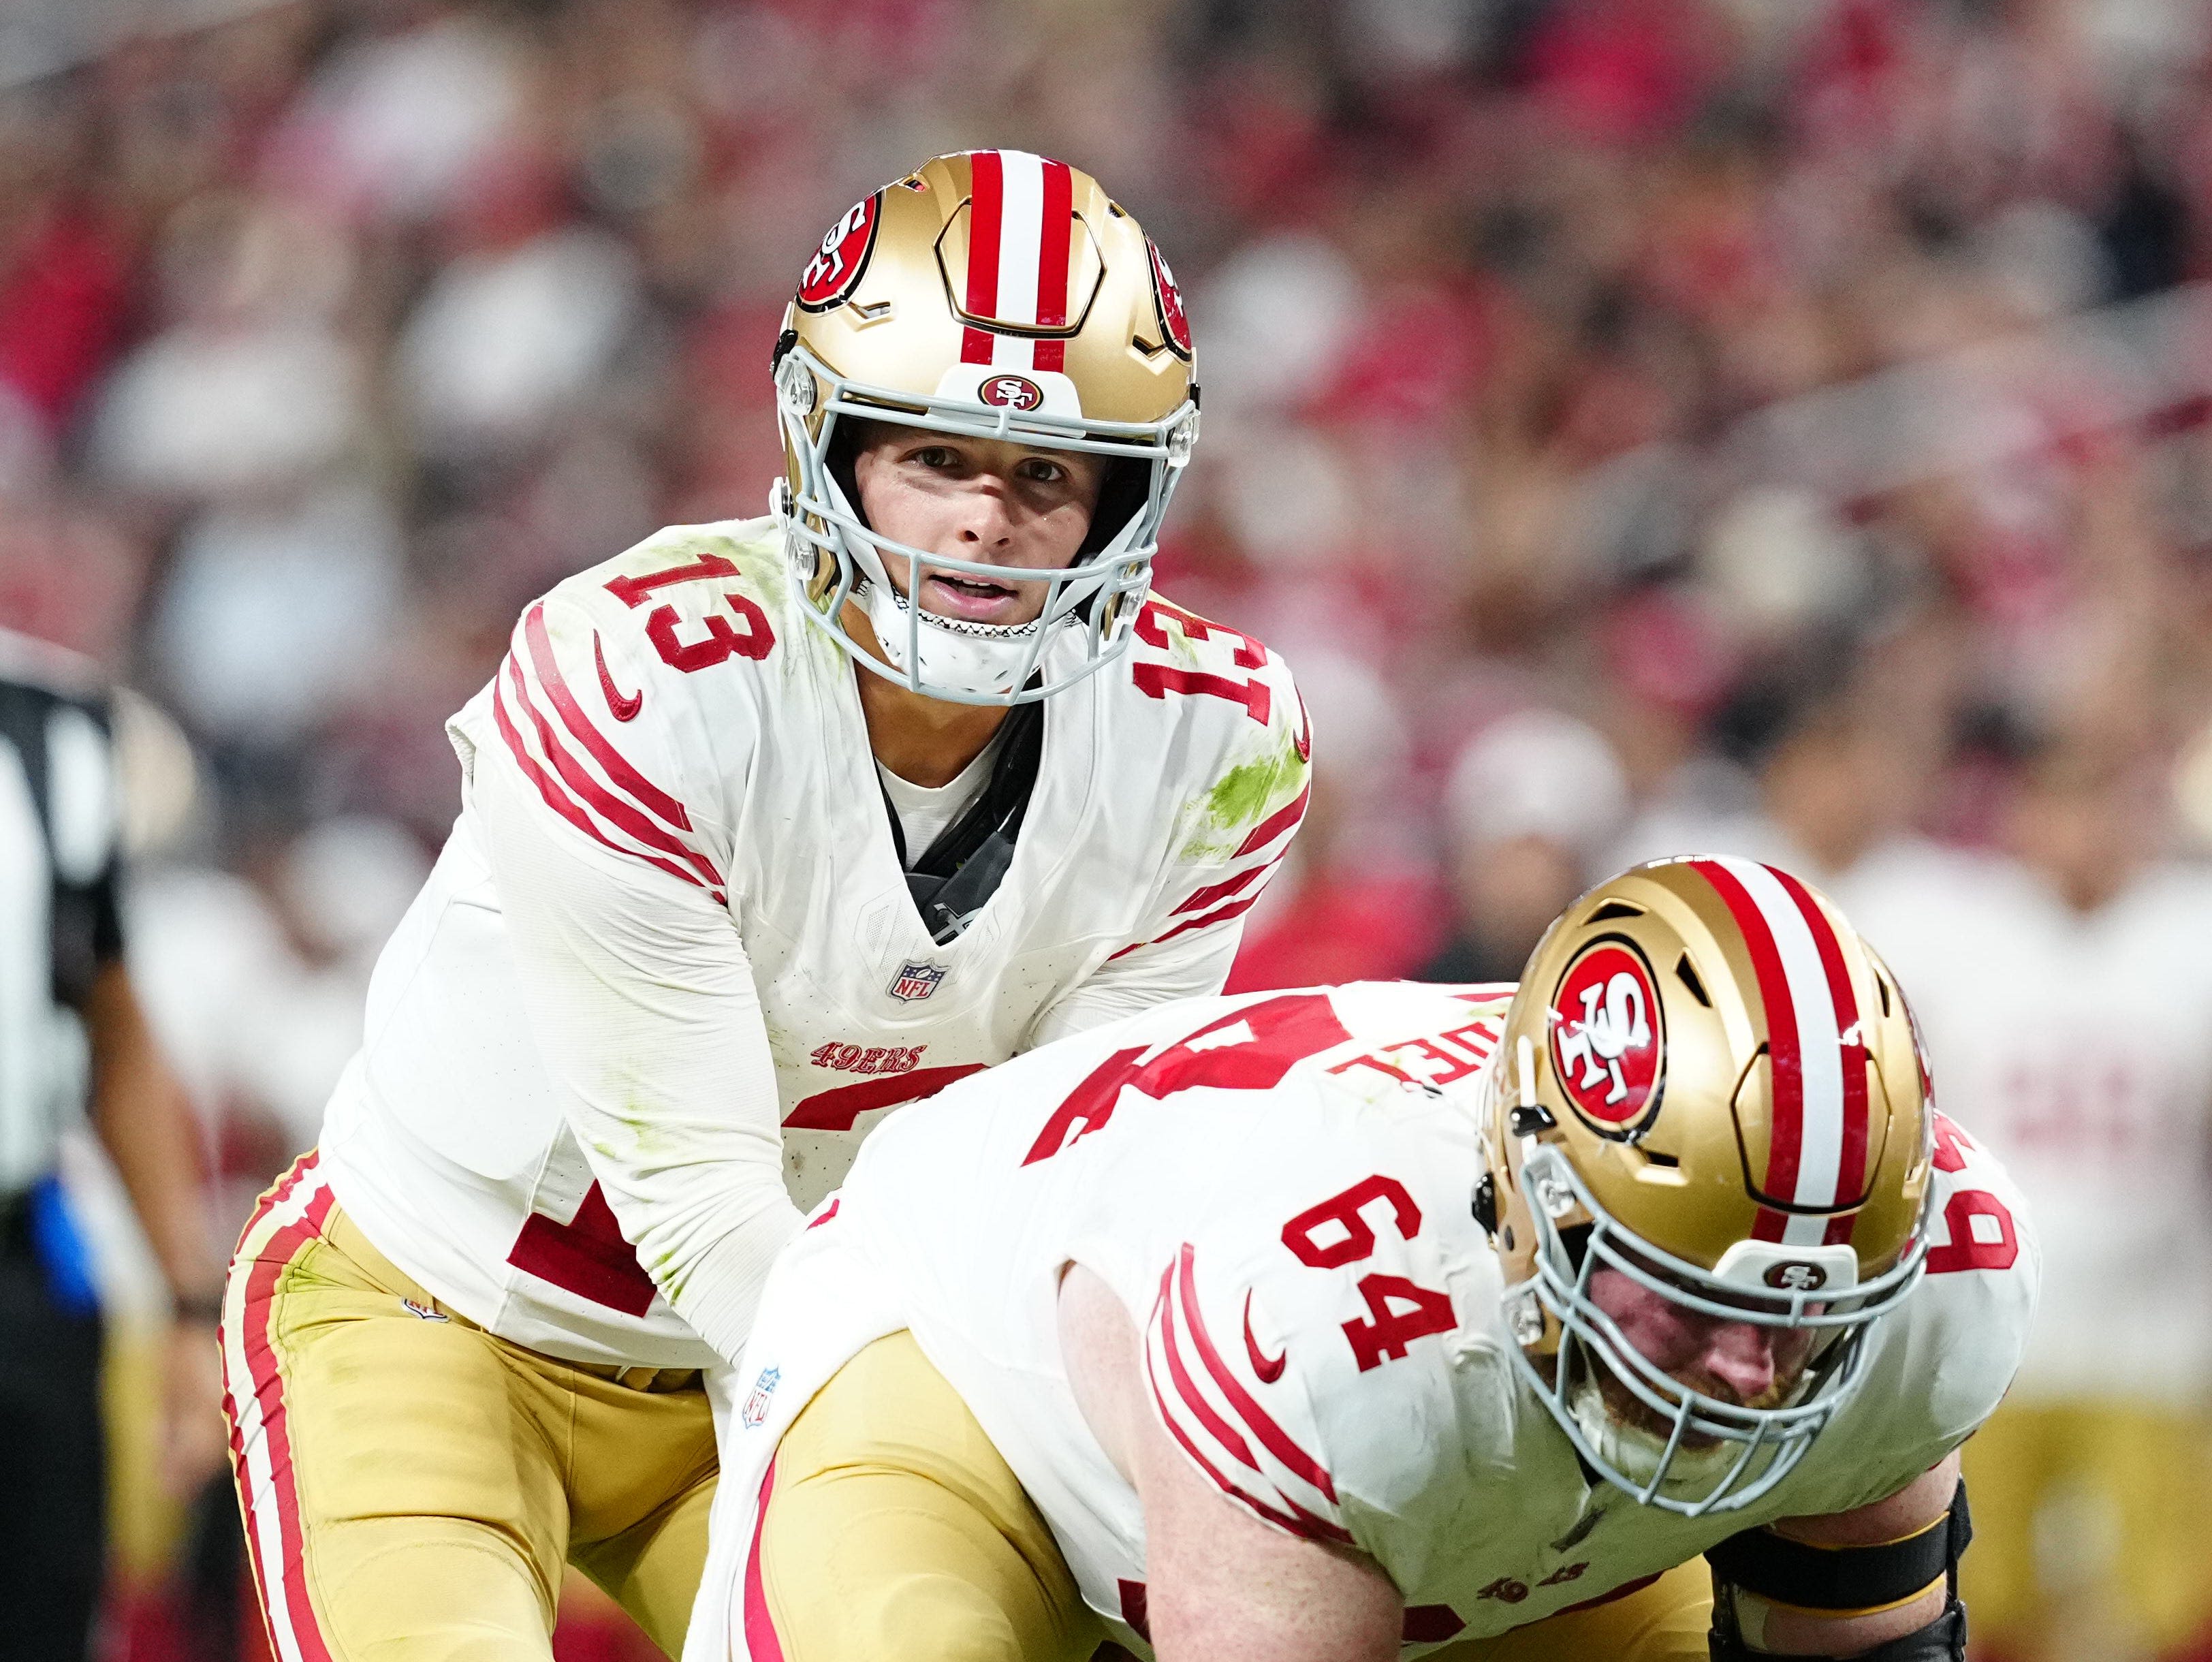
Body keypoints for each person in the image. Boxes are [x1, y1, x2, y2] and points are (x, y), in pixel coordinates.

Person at [219, 149, 1310, 1662]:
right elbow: (706, 1206)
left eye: (1045, 473)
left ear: (1126, 497)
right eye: (934, 458)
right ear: (830, 445)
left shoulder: (1218, 740)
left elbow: (1070, 1174)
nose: (985, 522)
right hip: (446, 1300)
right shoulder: (648, 674)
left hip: (785, 1345)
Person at [688, 856, 2037, 1662]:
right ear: (1538, 1199)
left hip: (1406, 1479)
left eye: (1808, 1318)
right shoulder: (1326, 1316)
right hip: (972, 1372)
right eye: (1685, 1297)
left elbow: (1859, 1640)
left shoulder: (1939, 1283)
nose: (1752, 1374)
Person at [1847, 737, 2212, 1662]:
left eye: (2104, 810)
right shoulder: (1954, 929)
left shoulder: (2187, 930)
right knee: (1978, 1582)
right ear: (2022, 822)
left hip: (2155, 1330)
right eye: (2063, 808)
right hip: (1996, 1329)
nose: (2083, 834)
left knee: (2170, 1598)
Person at [0, 628, 225, 1661]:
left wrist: (188, 1306)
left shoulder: (55, 724)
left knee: (46, 1611)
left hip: (23, 1268)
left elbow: (110, 1018)